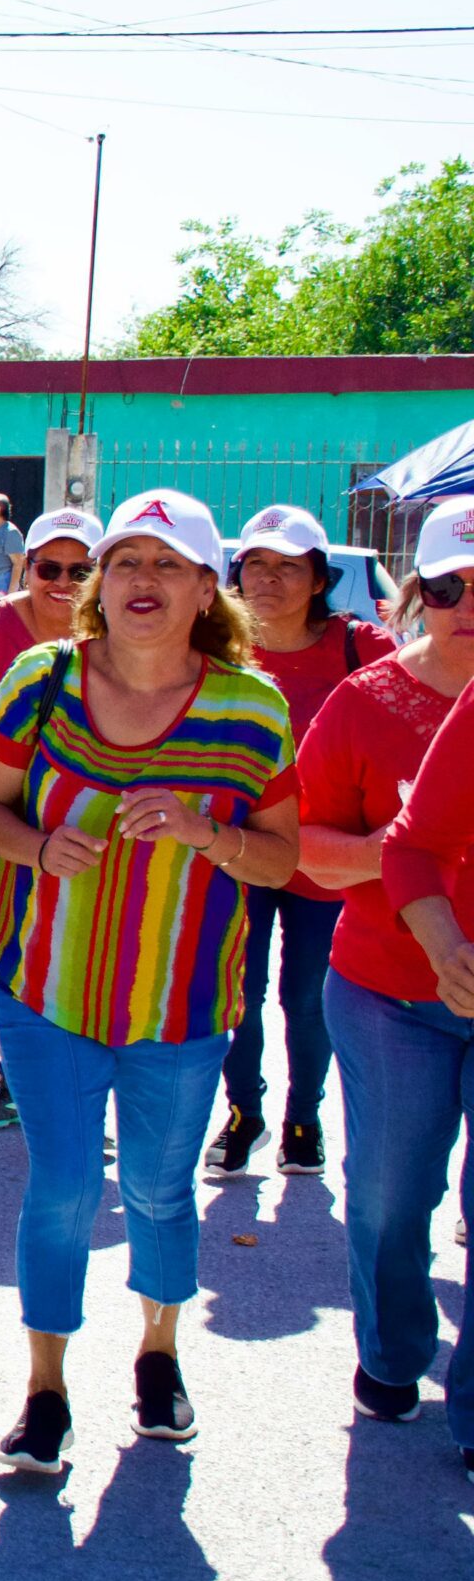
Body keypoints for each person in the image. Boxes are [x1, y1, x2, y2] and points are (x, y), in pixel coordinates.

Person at [0, 490, 296, 1473]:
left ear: (204, 589)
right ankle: (45, 1389)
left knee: (155, 1190)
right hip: (44, 989)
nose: (141, 580)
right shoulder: (40, 680)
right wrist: (35, 842)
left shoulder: (251, 709)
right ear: (100, 583)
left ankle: (157, 1354)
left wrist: (208, 834)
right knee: (62, 1187)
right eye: (125, 561)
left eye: (166, 564)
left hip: (182, 1003)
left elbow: (280, 861)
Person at [312, 497, 474, 1476]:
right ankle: (394, 1351)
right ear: (417, 594)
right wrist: (399, 859)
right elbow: (303, 849)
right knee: (387, 1194)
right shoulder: (365, 702)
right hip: (386, 992)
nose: (467, 606)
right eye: (448, 587)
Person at [211, 505, 396, 1176]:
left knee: (308, 994)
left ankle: (302, 1118)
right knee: (237, 987)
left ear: (319, 579)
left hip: (327, 856)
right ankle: (243, 1113)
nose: (268, 579)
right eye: (256, 564)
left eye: (288, 566)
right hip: (241, 850)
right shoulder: (219, 647)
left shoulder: (361, 647)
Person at [0, 502, 104, 1133]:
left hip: (81, 824)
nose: (64, 584)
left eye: (81, 571)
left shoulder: (117, 637)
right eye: (50, 567)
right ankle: (9, 1076)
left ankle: (81, 1091)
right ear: (27, 569)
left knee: (78, 949)